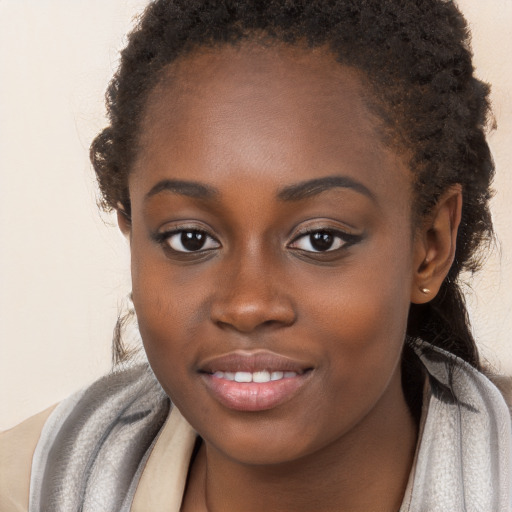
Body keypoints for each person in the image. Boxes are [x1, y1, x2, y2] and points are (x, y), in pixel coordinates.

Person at [1, 0, 511, 511]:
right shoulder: (30, 488)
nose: (247, 305)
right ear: (133, 234)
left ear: (429, 248)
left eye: (320, 240)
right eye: (190, 239)